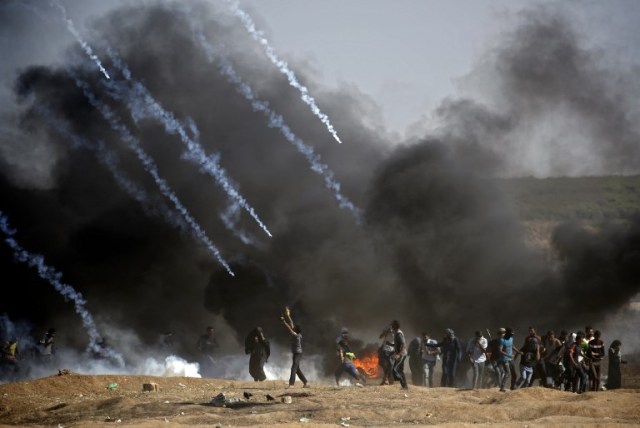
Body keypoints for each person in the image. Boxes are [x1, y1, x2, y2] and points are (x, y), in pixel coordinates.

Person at [281, 307, 308, 388]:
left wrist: (283, 321)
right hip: (296, 353)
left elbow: (289, 328)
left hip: (298, 353)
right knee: (297, 369)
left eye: (294, 327)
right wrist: (288, 316)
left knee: (293, 368)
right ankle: (306, 382)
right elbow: (291, 323)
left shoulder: (296, 335)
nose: (293, 326)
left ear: (295, 330)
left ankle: (291, 384)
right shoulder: (296, 333)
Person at [390, 320, 408, 390]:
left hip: (402, 354)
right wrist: (390, 344)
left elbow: (403, 344)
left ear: (395, 326)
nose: (391, 326)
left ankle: (403, 383)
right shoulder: (396, 333)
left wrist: (399, 354)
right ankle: (404, 386)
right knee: (400, 370)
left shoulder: (398, 333)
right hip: (401, 354)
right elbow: (398, 344)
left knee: (395, 369)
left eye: (392, 325)